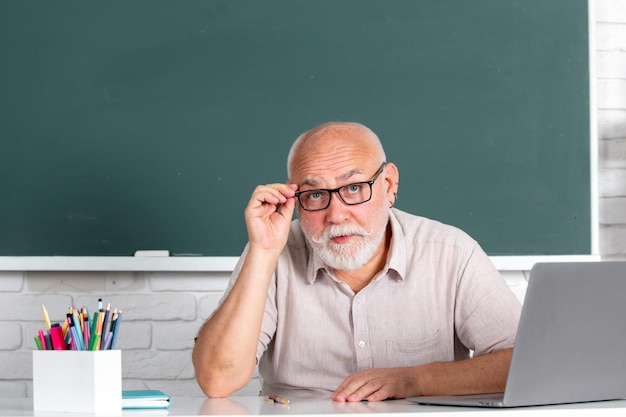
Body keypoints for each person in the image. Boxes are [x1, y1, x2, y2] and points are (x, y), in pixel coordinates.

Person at [192, 121, 521, 402]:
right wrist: (262, 254)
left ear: (388, 185)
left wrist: (413, 381)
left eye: (353, 187)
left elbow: (523, 363)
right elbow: (217, 380)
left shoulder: (451, 253)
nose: (335, 216)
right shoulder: (272, 251)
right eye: (315, 195)